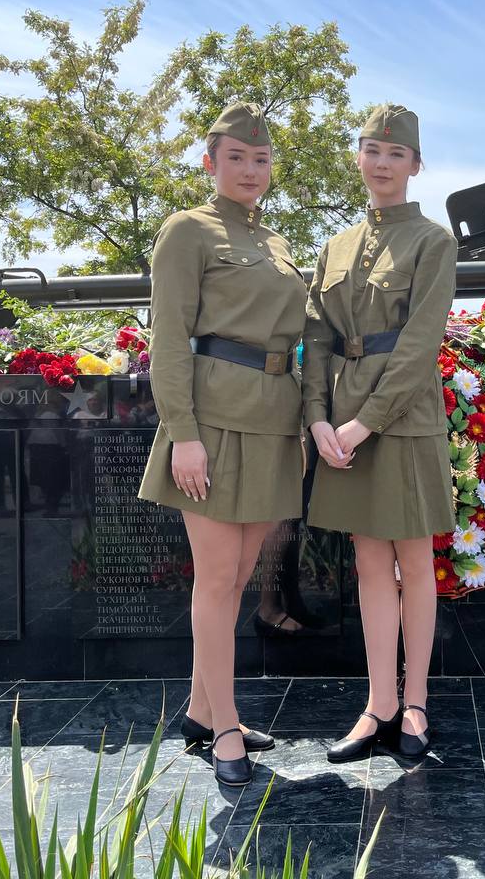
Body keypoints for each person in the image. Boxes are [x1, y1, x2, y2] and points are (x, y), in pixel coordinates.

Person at [137, 102, 308, 787]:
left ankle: (201, 713)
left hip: (273, 419)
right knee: (215, 579)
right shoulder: (188, 229)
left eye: (261, 159)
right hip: (211, 419)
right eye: (236, 157)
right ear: (210, 163)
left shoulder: (277, 241)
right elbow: (169, 338)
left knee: (239, 579)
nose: (250, 170)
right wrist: (183, 435)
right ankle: (227, 728)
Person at [302, 103, 456, 763]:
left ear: (415, 165)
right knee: (369, 563)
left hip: (404, 418)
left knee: (414, 562)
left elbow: (420, 346)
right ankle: (379, 705)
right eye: (372, 149)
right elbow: (316, 338)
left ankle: (415, 703)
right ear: (358, 157)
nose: (383, 163)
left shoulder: (433, 242)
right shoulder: (334, 248)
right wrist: (317, 418)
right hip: (340, 419)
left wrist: (363, 424)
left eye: (397, 153)